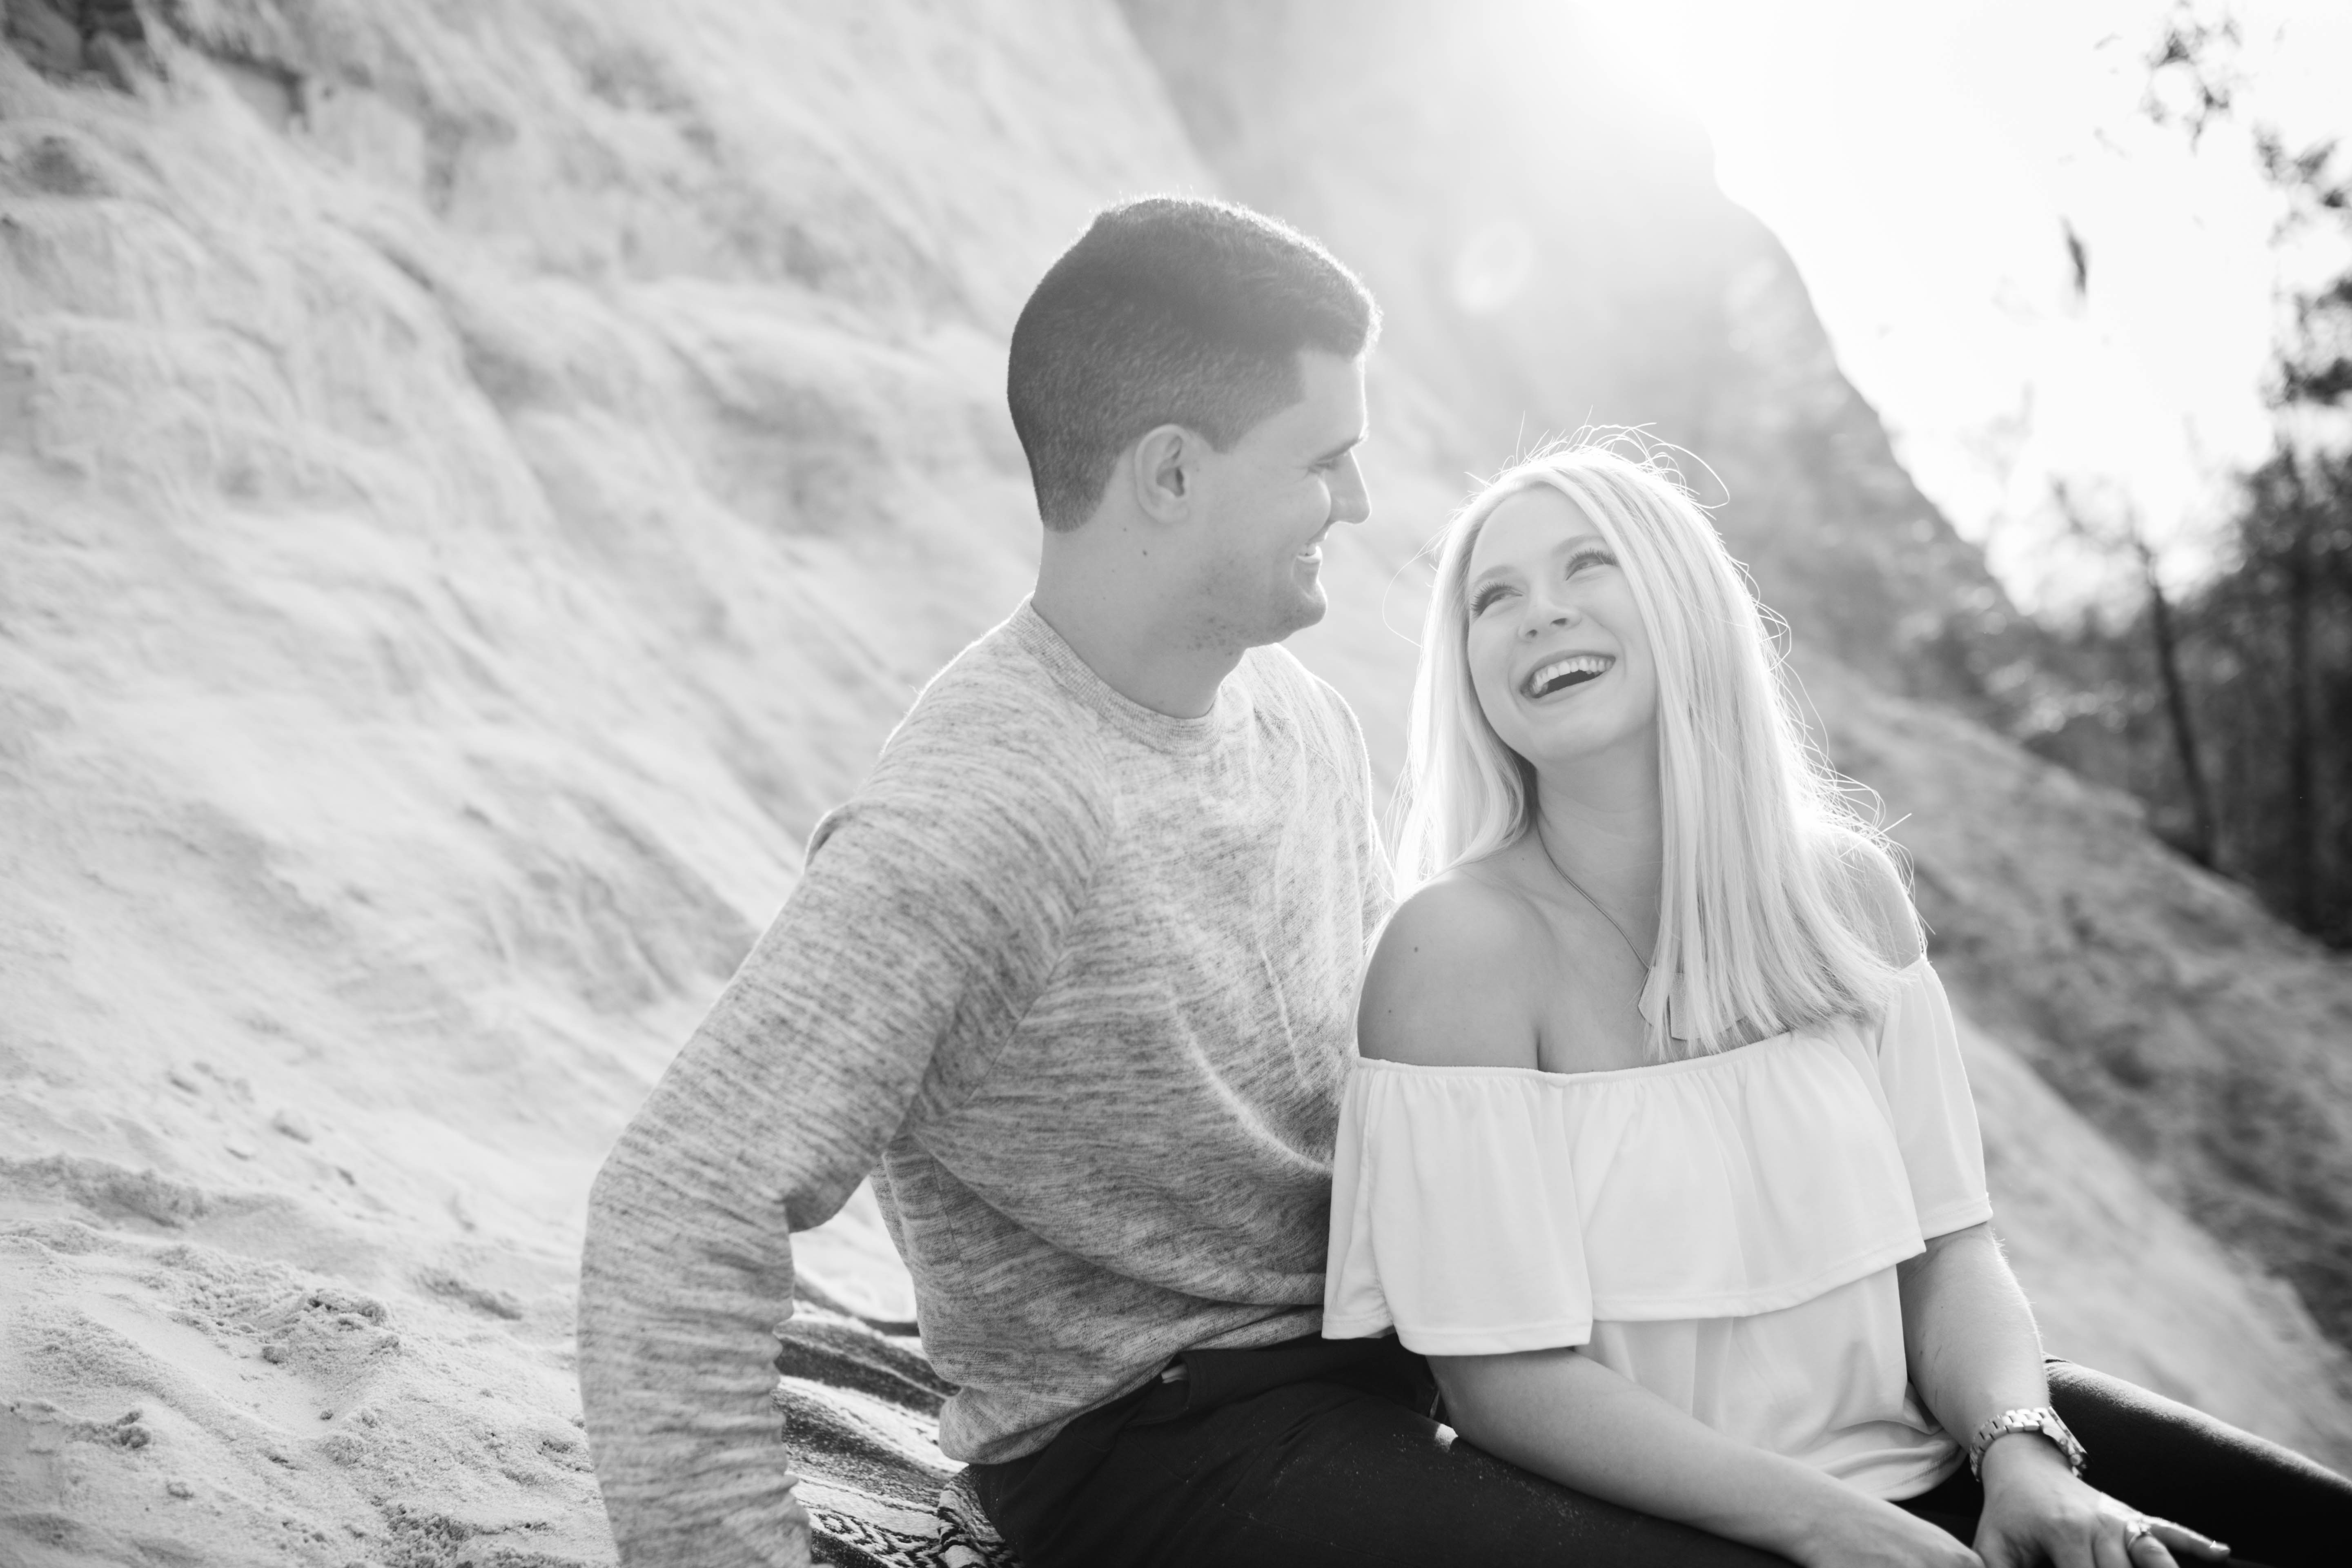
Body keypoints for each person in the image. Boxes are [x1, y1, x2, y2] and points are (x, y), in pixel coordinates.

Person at [1324, 438, 2352, 1568]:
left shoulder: (1846, 898)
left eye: (1588, 566)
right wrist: (1839, 1531)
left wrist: (2022, 1455)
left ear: (1685, 599)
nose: (1541, 614)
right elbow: (1499, 1382)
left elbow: (1951, 1251)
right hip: (1682, 1534)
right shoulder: (1452, 950)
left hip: (1942, 1461)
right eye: (1494, 598)